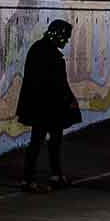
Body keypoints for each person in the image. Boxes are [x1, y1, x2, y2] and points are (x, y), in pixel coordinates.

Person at [16, 18, 81, 192]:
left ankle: (42, 176)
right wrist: (69, 100)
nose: (66, 40)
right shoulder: (50, 54)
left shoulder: (38, 49)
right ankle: (35, 178)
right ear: (57, 34)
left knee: (42, 141)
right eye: (65, 37)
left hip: (41, 106)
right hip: (48, 107)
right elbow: (58, 83)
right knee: (46, 141)